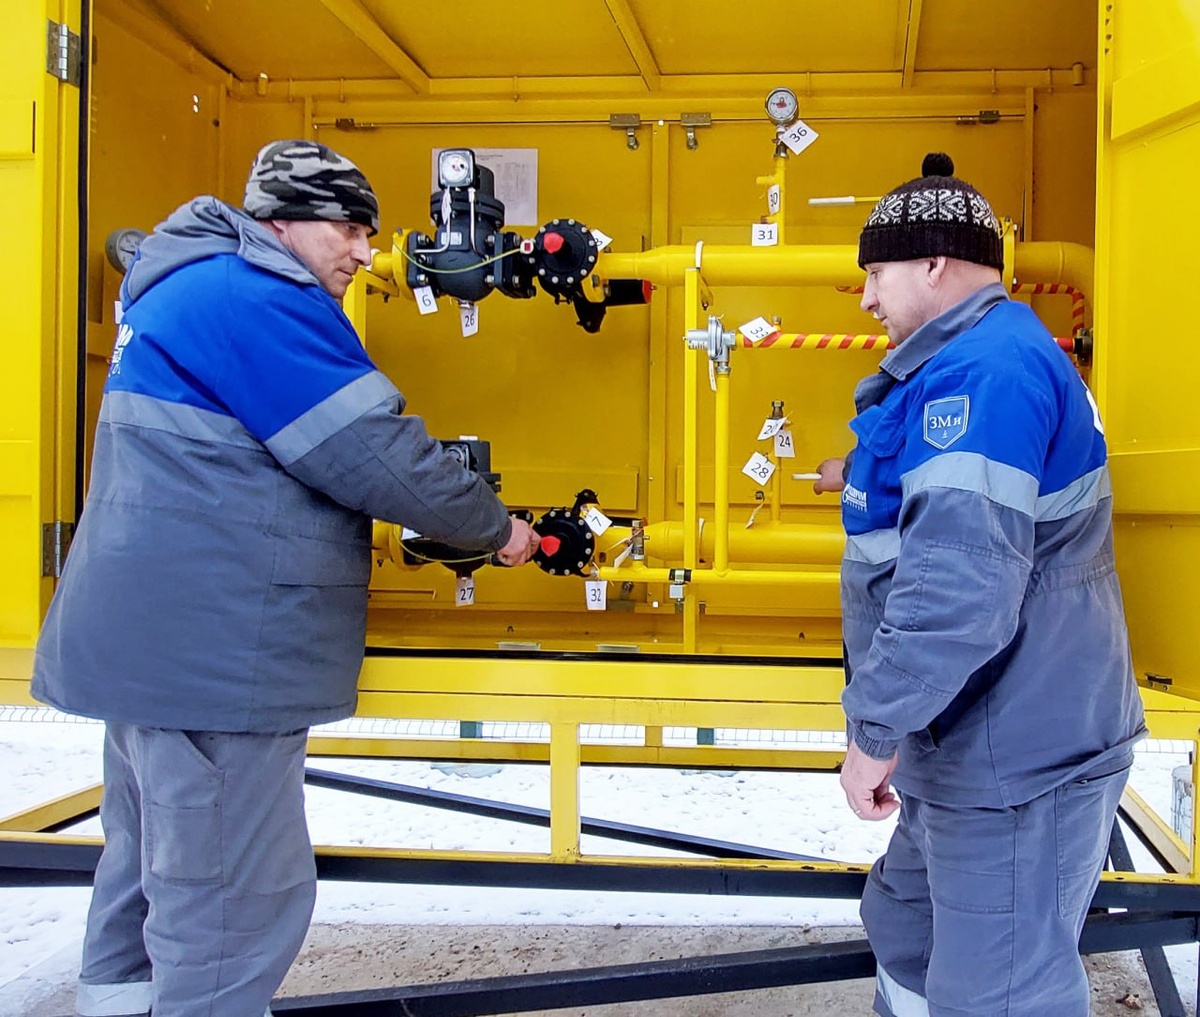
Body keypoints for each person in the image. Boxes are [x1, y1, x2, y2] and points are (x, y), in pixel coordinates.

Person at [32, 139, 540, 1017]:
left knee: (148, 864)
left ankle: (115, 1003)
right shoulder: (257, 297)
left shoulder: (185, 285)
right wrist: (497, 528)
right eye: (349, 228)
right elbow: (372, 452)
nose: (365, 253)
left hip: (148, 644)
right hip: (214, 653)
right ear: (282, 222)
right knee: (232, 897)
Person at [813, 153, 1146, 1016]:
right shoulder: (963, 367)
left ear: (934, 263)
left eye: (875, 273)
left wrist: (874, 731)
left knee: (997, 992)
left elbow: (957, 589)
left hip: (1017, 758)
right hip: (970, 742)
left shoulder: (986, 372)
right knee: (907, 932)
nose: (866, 298)